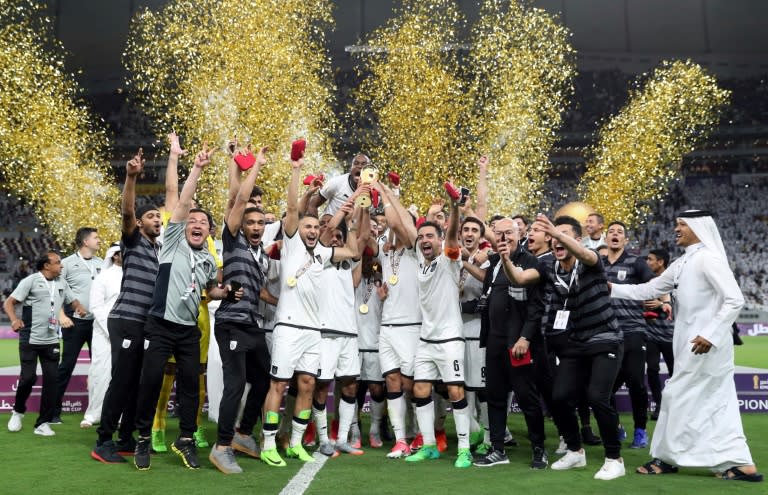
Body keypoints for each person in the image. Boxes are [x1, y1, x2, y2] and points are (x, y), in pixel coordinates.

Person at [610, 210, 762, 482]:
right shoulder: (685, 261)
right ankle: (739, 463)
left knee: (675, 395)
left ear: (698, 227)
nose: (677, 229)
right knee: (717, 401)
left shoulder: (709, 259)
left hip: (705, 345)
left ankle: (666, 458)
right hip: (694, 343)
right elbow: (649, 289)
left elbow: (735, 299)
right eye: (676, 224)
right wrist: (611, 287)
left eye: (683, 224)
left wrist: (711, 334)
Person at [132, 144, 234, 471]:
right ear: (182, 224)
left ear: (208, 232)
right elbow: (181, 198)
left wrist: (226, 292)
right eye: (193, 219)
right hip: (160, 325)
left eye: (204, 222)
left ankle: (186, 438)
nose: (198, 223)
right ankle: (144, 437)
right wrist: (198, 168)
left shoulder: (206, 258)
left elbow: (208, 291)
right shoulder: (172, 241)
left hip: (190, 330)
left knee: (191, 386)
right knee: (150, 382)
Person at [506, 214, 626, 480]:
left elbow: (585, 254)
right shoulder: (551, 269)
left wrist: (556, 234)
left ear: (577, 239)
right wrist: (505, 258)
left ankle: (614, 458)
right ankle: (575, 451)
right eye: (553, 236)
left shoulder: (591, 262)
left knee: (597, 397)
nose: (555, 239)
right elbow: (519, 279)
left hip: (606, 338)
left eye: (562, 235)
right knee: (559, 397)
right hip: (577, 343)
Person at [259, 152, 359, 468]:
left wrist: (352, 219)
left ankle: (298, 443)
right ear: (298, 228)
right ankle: (268, 444)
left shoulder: (325, 254)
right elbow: (292, 208)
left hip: (313, 331)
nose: (313, 230)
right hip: (288, 327)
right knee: (278, 385)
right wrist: (295, 169)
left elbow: (354, 251)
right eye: (308, 226)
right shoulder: (291, 245)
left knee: (306, 385)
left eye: (316, 227)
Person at [91, 149, 162, 464]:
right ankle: (103, 441)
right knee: (122, 380)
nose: (157, 220)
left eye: (159, 216)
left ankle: (124, 438)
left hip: (144, 324)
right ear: (140, 222)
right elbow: (126, 211)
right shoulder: (133, 242)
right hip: (126, 319)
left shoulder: (159, 250)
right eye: (151, 216)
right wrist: (131, 176)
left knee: (136, 382)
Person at [208, 146, 270, 474]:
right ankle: (221, 446)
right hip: (231, 323)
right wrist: (253, 166)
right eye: (252, 222)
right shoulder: (233, 241)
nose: (257, 226)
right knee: (236, 383)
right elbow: (239, 200)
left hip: (252, 324)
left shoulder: (262, 254)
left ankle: (244, 434)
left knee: (264, 378)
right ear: (242, 226)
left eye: (261, 222)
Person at [403, 192, 473, 469]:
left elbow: (453, 235)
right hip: (426, 339)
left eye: (430, 236)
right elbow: (407, 228)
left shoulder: (448, 258)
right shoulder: (422, 262)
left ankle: (465, 449)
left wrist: (455, 206)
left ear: (439, 239)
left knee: (455, 391)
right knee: (420, 389)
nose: (424, 241)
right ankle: (430, 445)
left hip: (450, 339)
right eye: (421, 238)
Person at [472, 218, 548, 469]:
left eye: (509, 233)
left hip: (518, 342)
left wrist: (525, 337)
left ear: (520, 234)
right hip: (494, 340)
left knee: (527, 397)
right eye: (499, 234)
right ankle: (497, 449)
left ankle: (539, 449)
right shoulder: (492, 262)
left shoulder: (531, 262)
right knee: (494, 396)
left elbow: (536, 307)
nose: (504, 238)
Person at [4, 251, 85, 436]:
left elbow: (72, 300)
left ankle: (43, 423)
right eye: (57, 263)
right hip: (30, 339)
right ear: (46, 266)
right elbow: (9, 303)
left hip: (52, 340)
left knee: (52, 381)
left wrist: (78, 308)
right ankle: (18, 411)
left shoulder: (62, 283)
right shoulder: (31, 281)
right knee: (28, 378)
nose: (61, 266)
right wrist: (14, 320)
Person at [601, 221, 655, 449]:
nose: (615, 234)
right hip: (604, 332)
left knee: (635, 381)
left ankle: (640, 430)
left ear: (625, 240)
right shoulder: (597, 263)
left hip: (633, 329)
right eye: (611, 231)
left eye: (620, 232)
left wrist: (660, 300)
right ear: (606, 238)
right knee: (604, 387)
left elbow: (655, 285)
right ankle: (615, 427)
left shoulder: (636, 263)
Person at [52, 227, 102, 423]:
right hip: (75, 323)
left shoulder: (101, 264)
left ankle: (98, 411)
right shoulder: (67, 264)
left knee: (100, 368)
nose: (99, 240)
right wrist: (61, 314)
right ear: (85, 242)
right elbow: (55, 291)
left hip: (98, 324)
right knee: (66, 366)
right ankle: (53, 412)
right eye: (95, 238)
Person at [81, 242, 123, 428]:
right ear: (114, 255)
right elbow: (96, 307)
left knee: (124, 375)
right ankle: (93, 414)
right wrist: (111, 330)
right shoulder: (103, 277)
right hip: (103, 333)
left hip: (128, 334)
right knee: (100, 372)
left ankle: (121, 415)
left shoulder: (135, 275)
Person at [643, 248, 674, 421]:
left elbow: (678, 303)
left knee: (675, 371)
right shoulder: (647, 280)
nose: (647, 262)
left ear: (660, 262)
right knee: (652, 369)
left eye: (650, 259)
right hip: (651, 334)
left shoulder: (674, 280)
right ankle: (659, 404)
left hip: (671, 333)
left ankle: (676, 404)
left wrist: (661, 304)